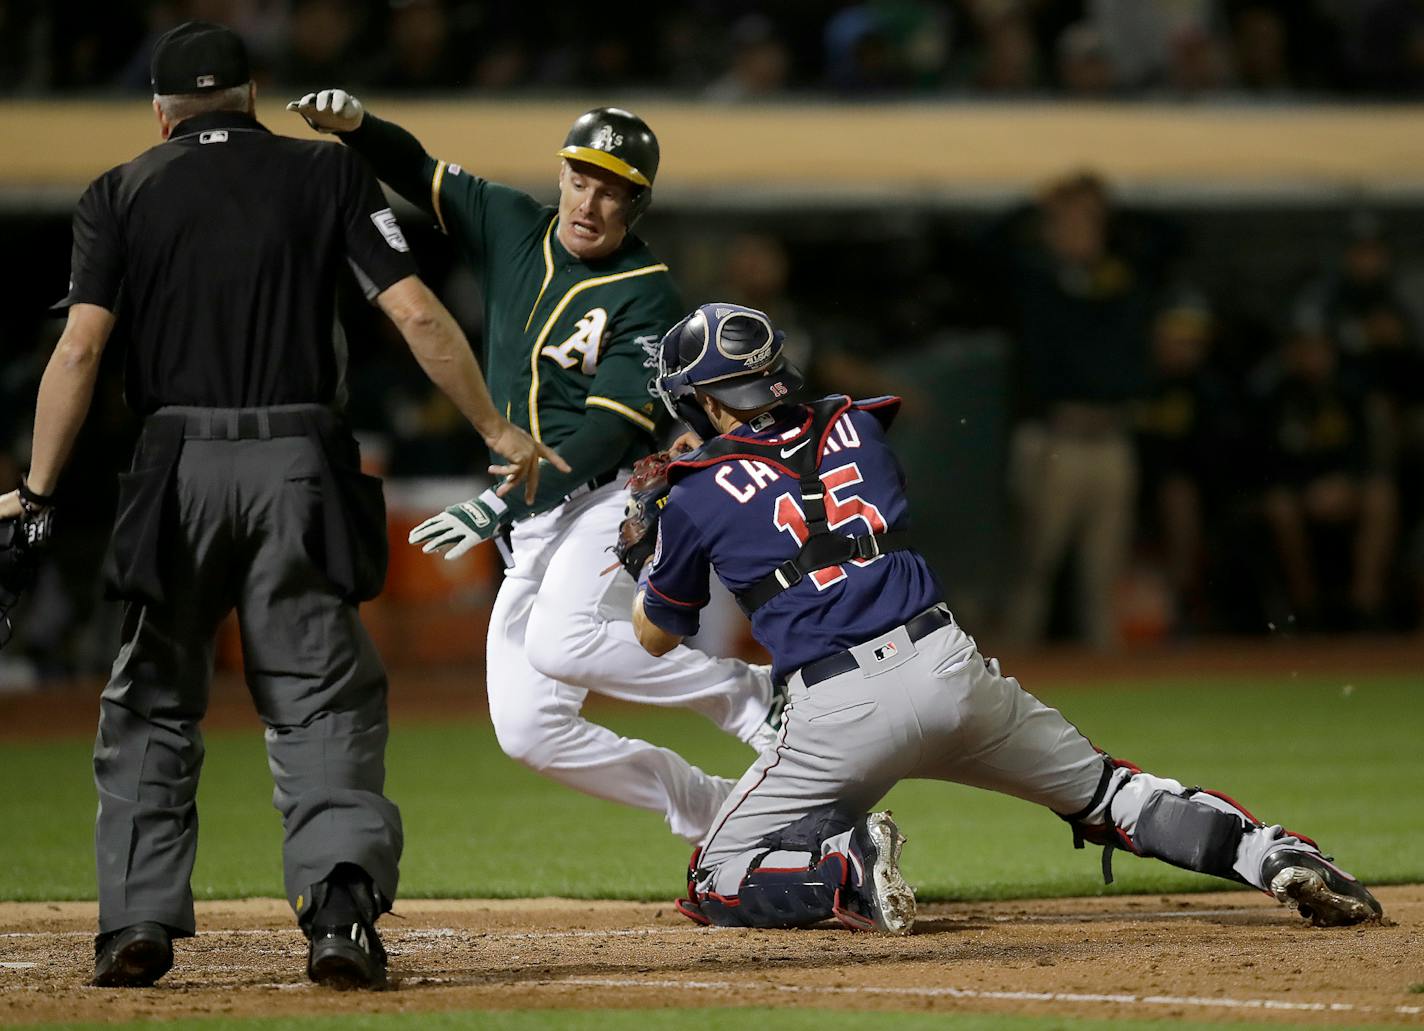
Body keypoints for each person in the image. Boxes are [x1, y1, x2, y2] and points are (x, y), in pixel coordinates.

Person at [0, 21, 561, 990]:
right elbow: (417, 312)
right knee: (319, 695)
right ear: (253, 95)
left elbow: (81, 349)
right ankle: (338, 913)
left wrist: (36, 489)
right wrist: (496, 430)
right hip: (298, 460)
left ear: (159, 110)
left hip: (174, 464)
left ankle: (134, 920)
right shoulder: (324, 175)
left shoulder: (119, 192)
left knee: (153, 700)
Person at [629, 301, 1384, 934]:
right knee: (1107, 793)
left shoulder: (693, 490)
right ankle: (1269, 853)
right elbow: (794, 461)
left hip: (838, 711)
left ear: (707, 395)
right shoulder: (859, 425)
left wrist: (647, 542)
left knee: (715, 875)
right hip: (949, 667)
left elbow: (657, 631)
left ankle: (843, 866)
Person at [287, 91, 780, 845]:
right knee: (529, 730)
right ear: (561, 175)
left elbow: (602, 434)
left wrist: (494, 507)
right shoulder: (510, 220)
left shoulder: (648, 294)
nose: (591, 199)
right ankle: (718, 810)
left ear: (637, 203)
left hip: (608, 496)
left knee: (565, 642)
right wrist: (357, 127)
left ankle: (749, 695)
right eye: (582, 177)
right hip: (529, 512)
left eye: (613, 188)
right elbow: (414, 169)